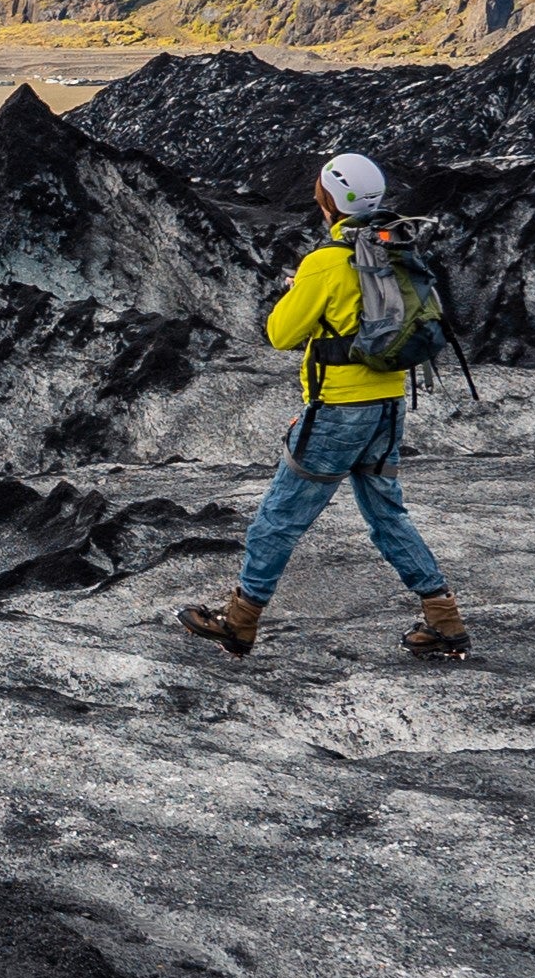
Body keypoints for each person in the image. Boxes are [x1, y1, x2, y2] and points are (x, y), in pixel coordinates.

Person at [181, 152, 469, 660]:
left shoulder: (326, 262)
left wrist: (299, 291)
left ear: (330, 199)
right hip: (387, 406)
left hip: (338, 412)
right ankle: (444, 620)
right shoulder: (393, 248)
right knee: (387, 516)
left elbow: (279, 334)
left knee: (277, 519)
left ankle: (240, 622)